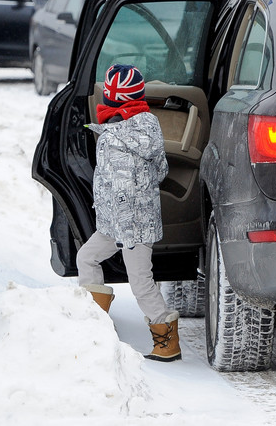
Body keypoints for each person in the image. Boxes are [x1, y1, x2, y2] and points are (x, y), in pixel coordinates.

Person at [76, 64, 182, 362]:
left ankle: (167, 342)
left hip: (128, 226)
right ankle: (94, 323)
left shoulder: (113, 139)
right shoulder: (149, 125)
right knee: (86, 257)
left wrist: (125, 228)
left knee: (140, 282)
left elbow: (119, 186)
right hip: (121, 222)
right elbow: (160, 170)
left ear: (109, 99)